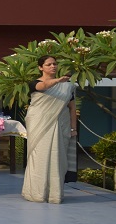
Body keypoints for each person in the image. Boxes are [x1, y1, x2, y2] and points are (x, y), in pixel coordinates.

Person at [22, 55, 78, 204]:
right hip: (39, 124)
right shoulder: (34, 83)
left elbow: (72, 108)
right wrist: (58, 81)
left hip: (60, 125)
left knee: (57, 158)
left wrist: (73, 128)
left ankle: (54, 194)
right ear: (40, 67)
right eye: (49, 64)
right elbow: (44, 86)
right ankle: (36, 193)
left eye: (55, 64)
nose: (53, 66)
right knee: (39, 157)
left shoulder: (67, 86)